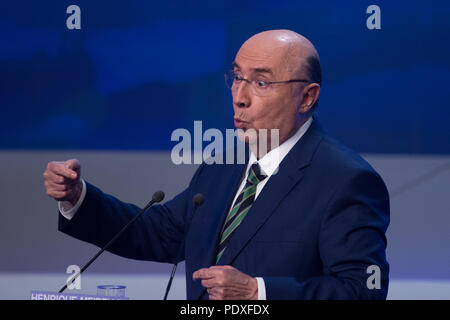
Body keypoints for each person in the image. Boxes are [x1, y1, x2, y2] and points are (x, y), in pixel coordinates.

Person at [43, 30, 390, 300]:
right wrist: (78, 198)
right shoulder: (226, 162)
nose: (239, 96)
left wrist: (258, 293)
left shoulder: (345, 180)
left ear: (308, 97)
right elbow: (160, 235)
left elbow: (362, 291)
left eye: (261, 82)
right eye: (237, 77)